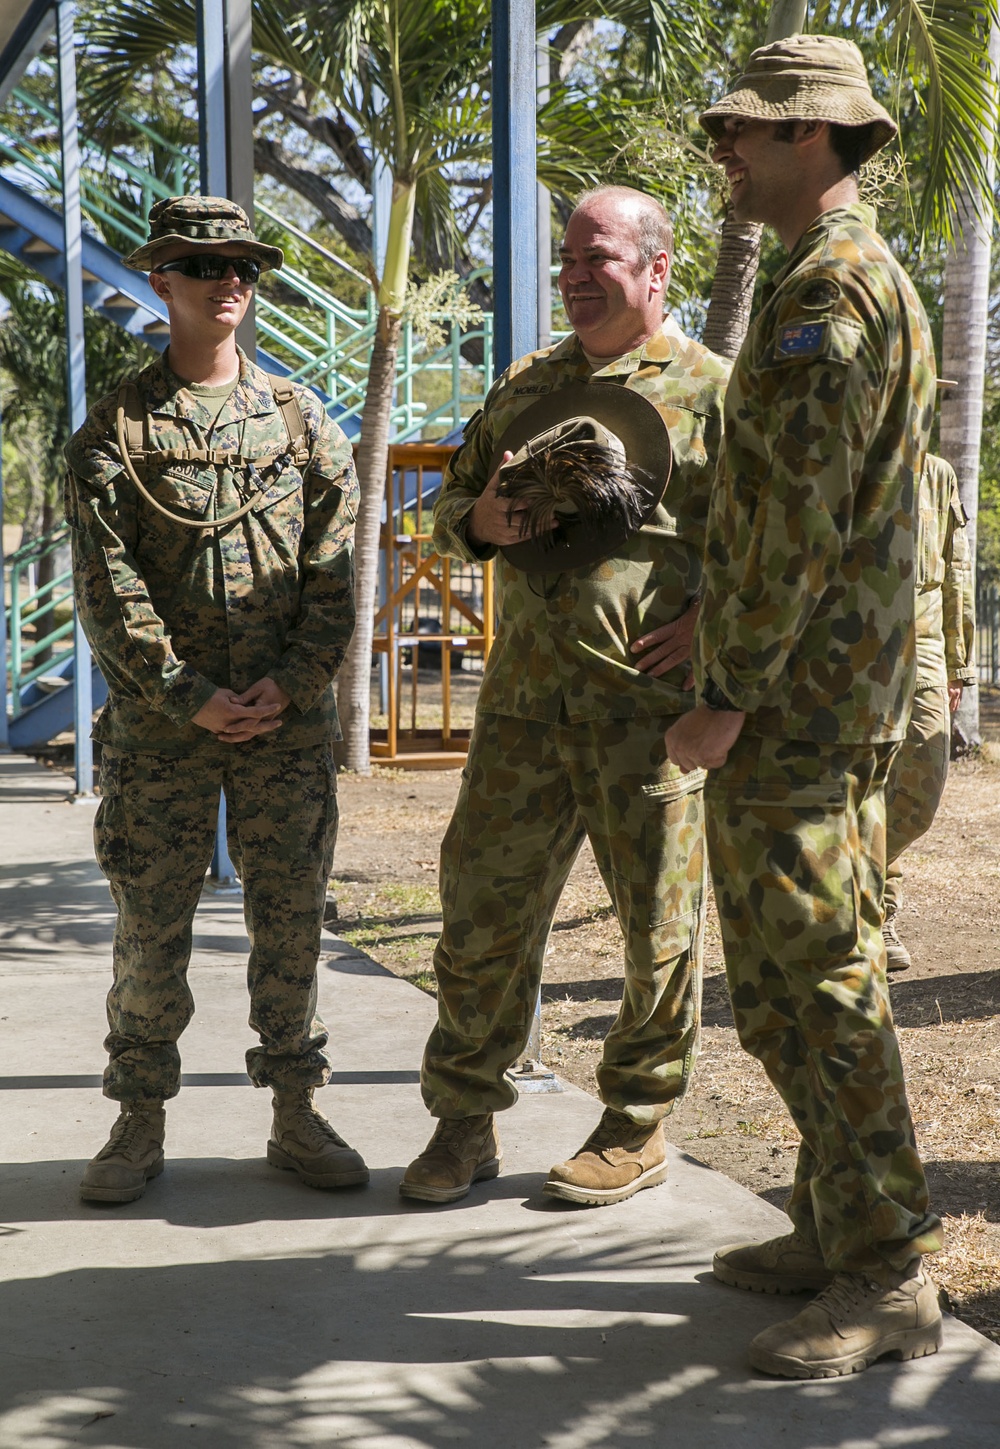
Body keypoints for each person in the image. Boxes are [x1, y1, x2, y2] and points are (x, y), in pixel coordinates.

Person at [665, 36, 944, 1377]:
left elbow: (800, 521)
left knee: (821, 988)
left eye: (748, 128)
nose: (725, 147)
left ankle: (887, 1271)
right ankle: (838, 1225)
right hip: (810, 691)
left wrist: (724, 692)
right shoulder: (819, 274)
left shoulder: (828, 292)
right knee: (780, 989)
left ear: (814, 137)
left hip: (803, 706)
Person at [400, 185, 731, 1207]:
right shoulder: (528, 383)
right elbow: (451, 502)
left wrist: (714, 628)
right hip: (522, 710)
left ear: (657, 270)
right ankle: (463, 1120)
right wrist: (480, 523)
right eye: (569, 261)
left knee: (656, 929)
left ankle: (635, 1124)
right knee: (481, 914)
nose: (577, 277)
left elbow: (773, 541)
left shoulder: (714, 391)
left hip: (647, 714)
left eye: (601, 259)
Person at [67, 196, 365, 1204]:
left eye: (243, 264)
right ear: (161, 279)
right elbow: (108, 590)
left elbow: (334, 576)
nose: (228, 279)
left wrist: (296, 681)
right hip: (164, 734)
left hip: (285, 726)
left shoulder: (300, 421)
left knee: (291, 922)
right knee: (151, 928)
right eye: (204, 264)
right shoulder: (117, 429)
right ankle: (137, 1118)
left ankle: (297, 1108)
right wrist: (187, 694)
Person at [883, 453, 975, 971]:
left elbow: (956, 571)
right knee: (864, 788)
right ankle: (875, 916)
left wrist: (957, 664)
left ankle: (841, 879)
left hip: (922, 651)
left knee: (919, 793)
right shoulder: (842, 453)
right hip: (845, 653)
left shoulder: (937, 474)